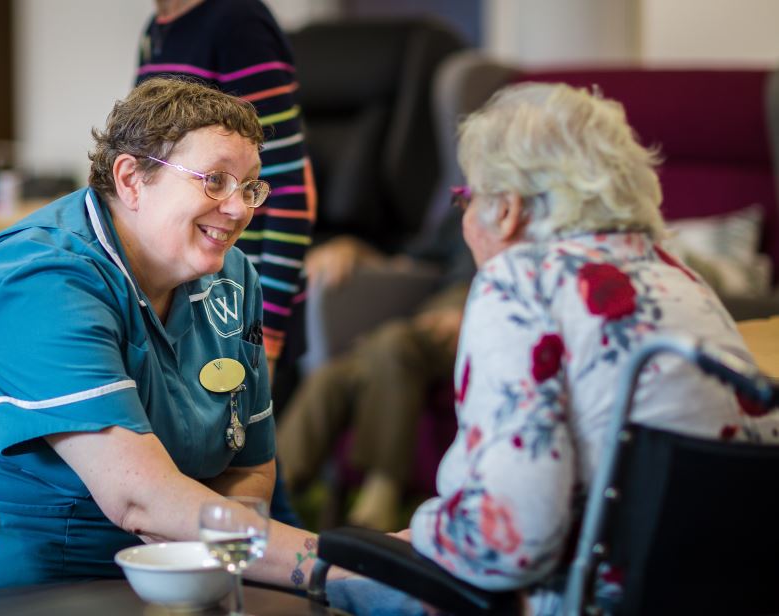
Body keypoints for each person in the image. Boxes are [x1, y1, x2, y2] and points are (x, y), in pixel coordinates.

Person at [326, 82, 779, 614]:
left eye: (466, 198)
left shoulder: (521, 281)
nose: (466, 217)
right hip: (723, 593)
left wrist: (423, 529)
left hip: (590, 598)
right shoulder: (679, 278)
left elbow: (509, 546)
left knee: (335, 580)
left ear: (508, 210)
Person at [0, 78, 331, 599]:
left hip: (162, 571)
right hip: (2, 583)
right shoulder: (40, 280)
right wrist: (330, 569)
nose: (238, 209)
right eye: (214, 181)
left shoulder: (234, 279)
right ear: (132, 178)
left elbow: (250, 469)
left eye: (250, 186)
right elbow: (138, 500)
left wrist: (207, 572)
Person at [136, 0, 314, 527]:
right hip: (182, 293)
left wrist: (269, 333)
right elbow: (149, 156)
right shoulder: (157, 29)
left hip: (239, 304)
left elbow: (289, 190)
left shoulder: (238, 22)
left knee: (250, 480)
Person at [276, 204, 476, 531]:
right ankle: (271, 490)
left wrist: (476, 302)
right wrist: (355, 250)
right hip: (432, 312)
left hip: (480, 315)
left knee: (393, 343)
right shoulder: (466, 206)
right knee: (332, 378)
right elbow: (413, 258)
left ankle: (381, 495)